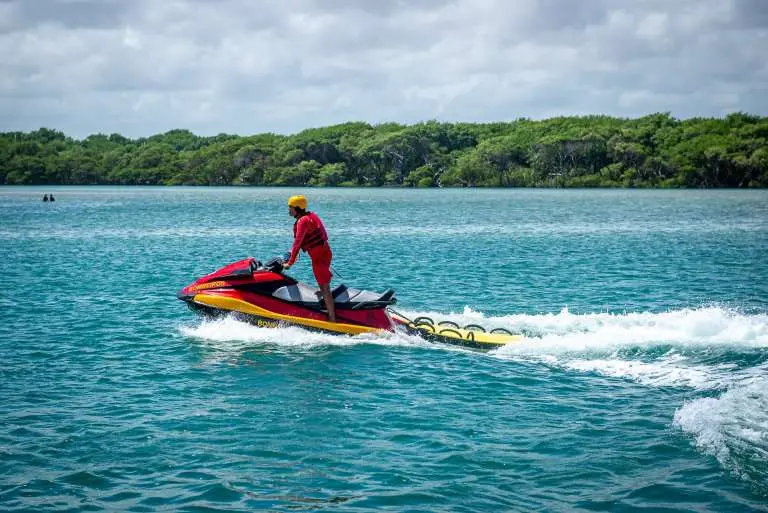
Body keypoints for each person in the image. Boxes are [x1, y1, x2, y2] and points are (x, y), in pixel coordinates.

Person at [283, 195, 336, 322]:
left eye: (290, 207)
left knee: (324, 288)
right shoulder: (310, 216)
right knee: (322, 287)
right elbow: (302, 242)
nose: (288, 210)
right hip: (323, 254)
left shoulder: (303, 221)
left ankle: (332, 319)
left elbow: (297, 242)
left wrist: (290, 263)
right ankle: (326, 309)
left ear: (296, 208)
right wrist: (291, 254)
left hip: (319, 258)